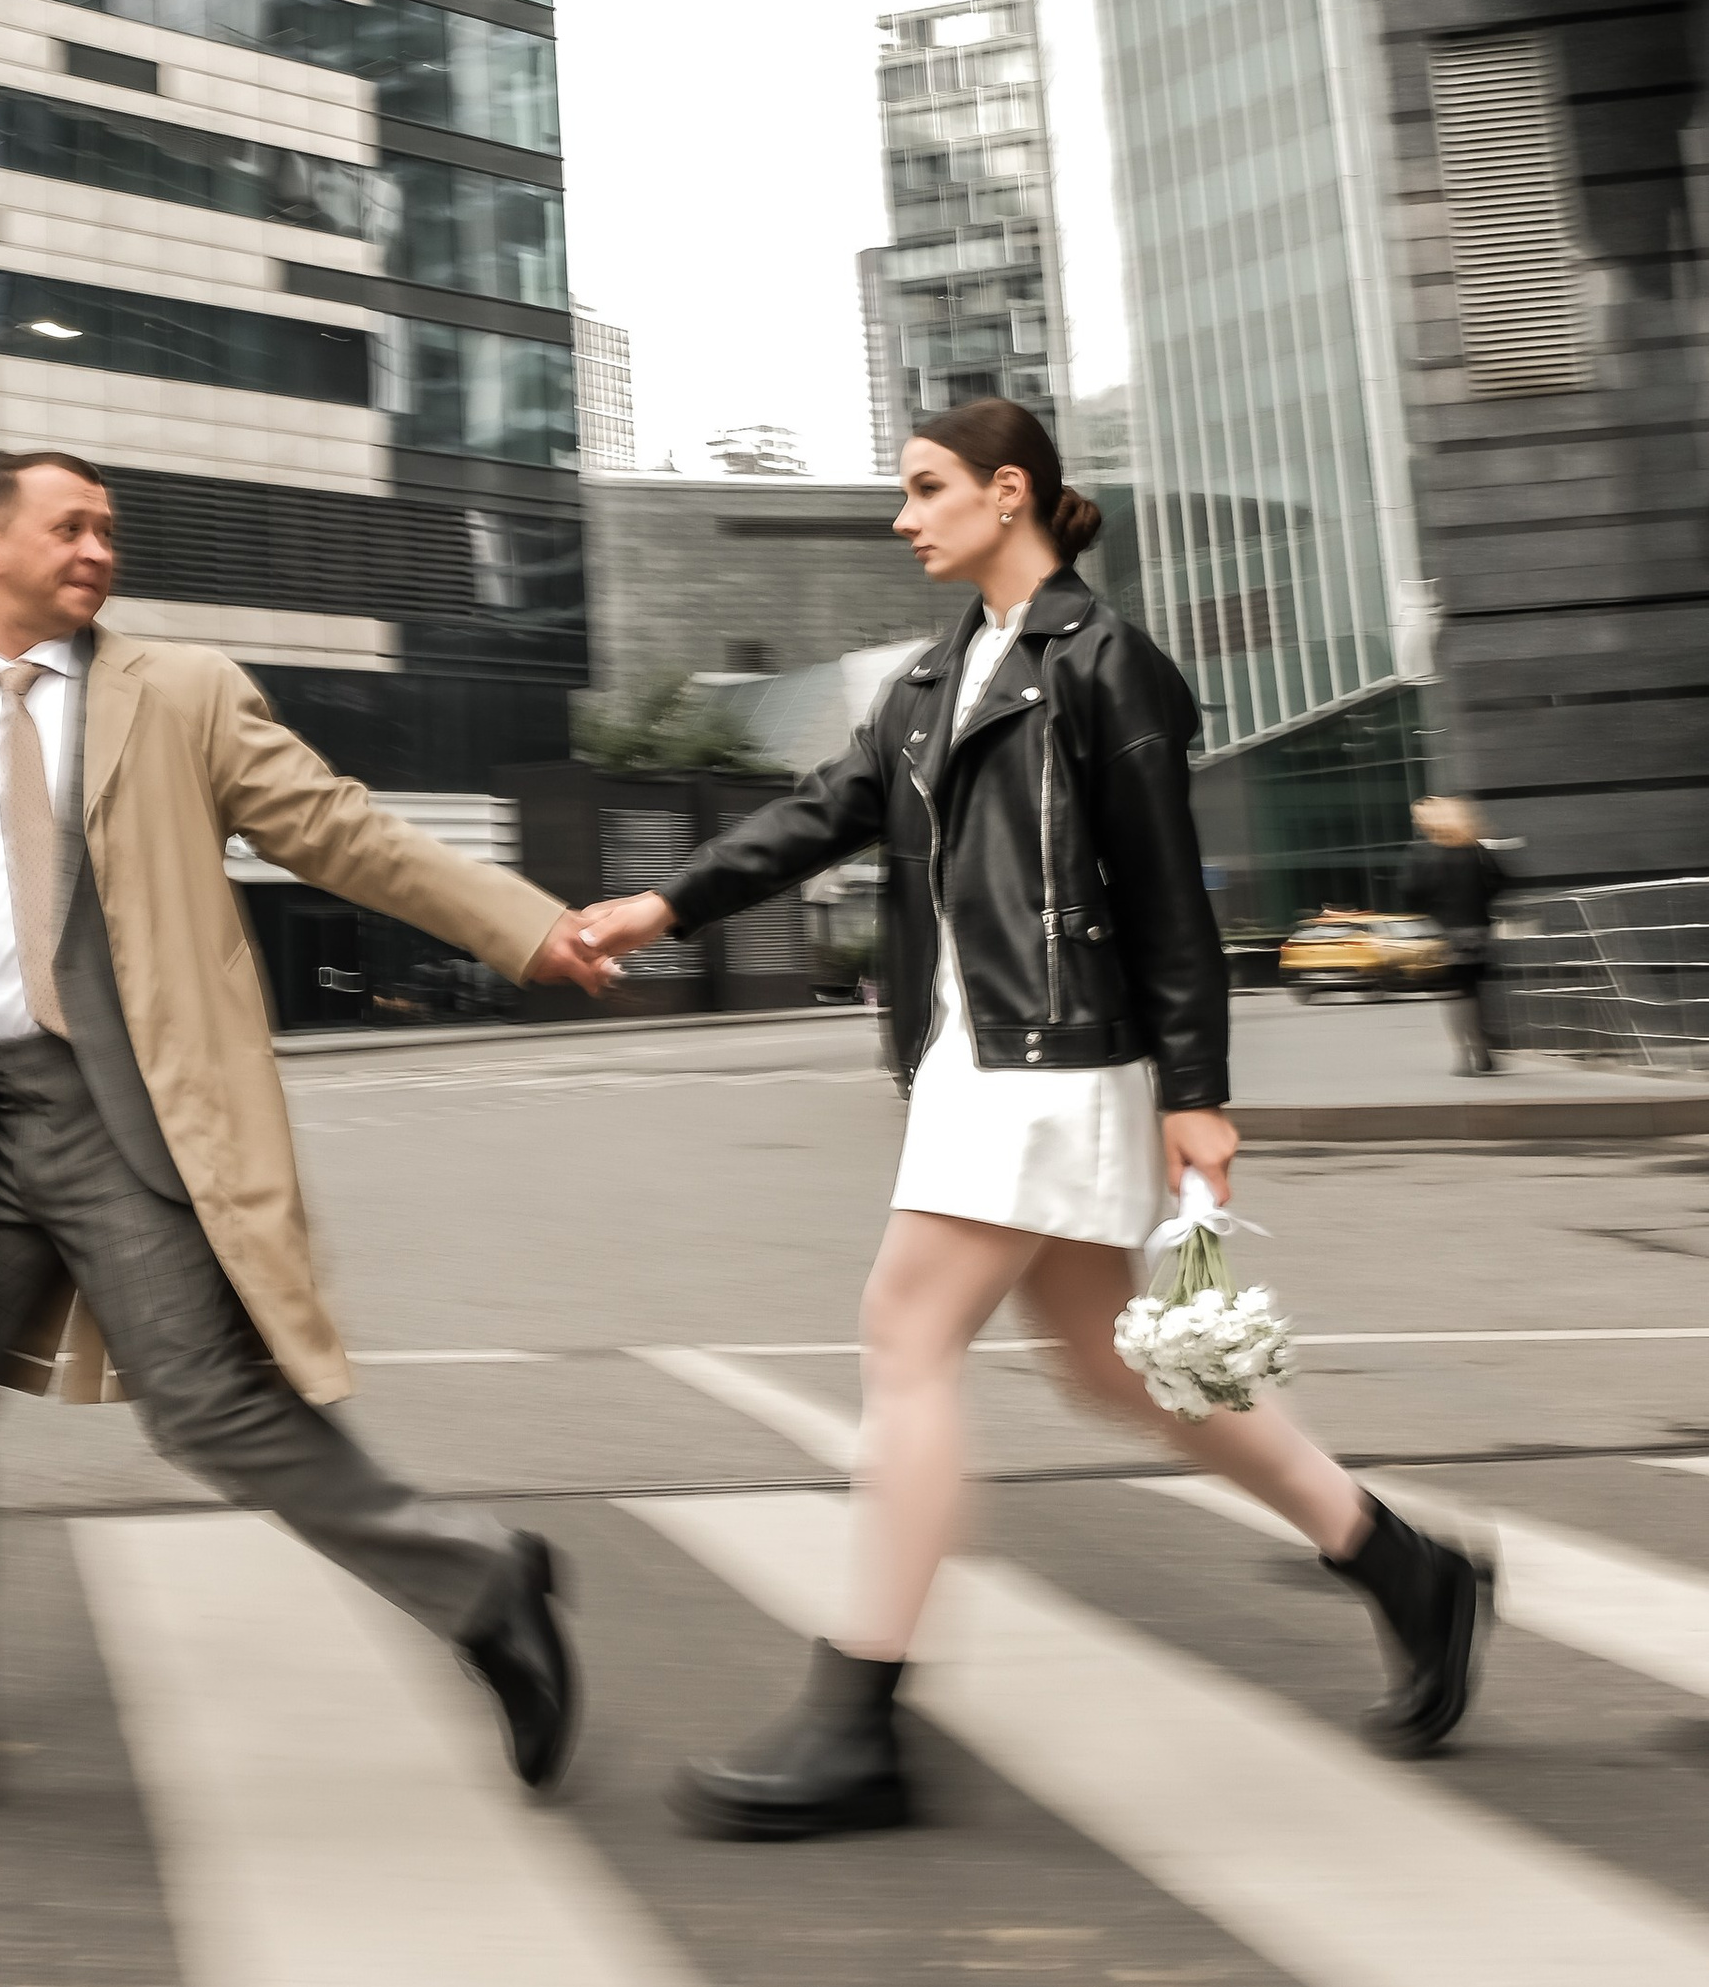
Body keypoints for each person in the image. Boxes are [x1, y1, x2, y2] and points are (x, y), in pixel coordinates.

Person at [569, 398, 1494, 1840]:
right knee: (1116, 1374)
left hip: (1051, 1055)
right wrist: (658, 903)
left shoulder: (1103, 664)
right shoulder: (935, 682)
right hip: (972, 1054)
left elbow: (1168, 893)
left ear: (1010, 495)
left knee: (905, 1334)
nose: (902, 516)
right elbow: (817, 815)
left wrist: (1198, 1092)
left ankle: (859, 1717)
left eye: (927, 489)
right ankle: (1402, 1567)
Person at [0, 446, 609, 1815]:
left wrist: (523, 927)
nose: (97, 552)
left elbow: (338, 834)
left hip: (133, 1119)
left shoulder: (179, 694)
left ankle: (483, 1577)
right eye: (69, 528)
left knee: (209, 1408)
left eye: (107, 533)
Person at [1403, 796, 1508, 1075]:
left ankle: (1466, 1057)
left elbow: (1411, 892)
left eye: (1418, 816)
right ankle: (1484, 1049)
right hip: (1478, 930)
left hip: (1445, 932)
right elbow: (1501, 880)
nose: (1416, 821)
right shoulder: (1475, 850)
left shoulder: (1422, 852)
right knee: (1473, 990)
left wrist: (1431, 909)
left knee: (1454, 994)